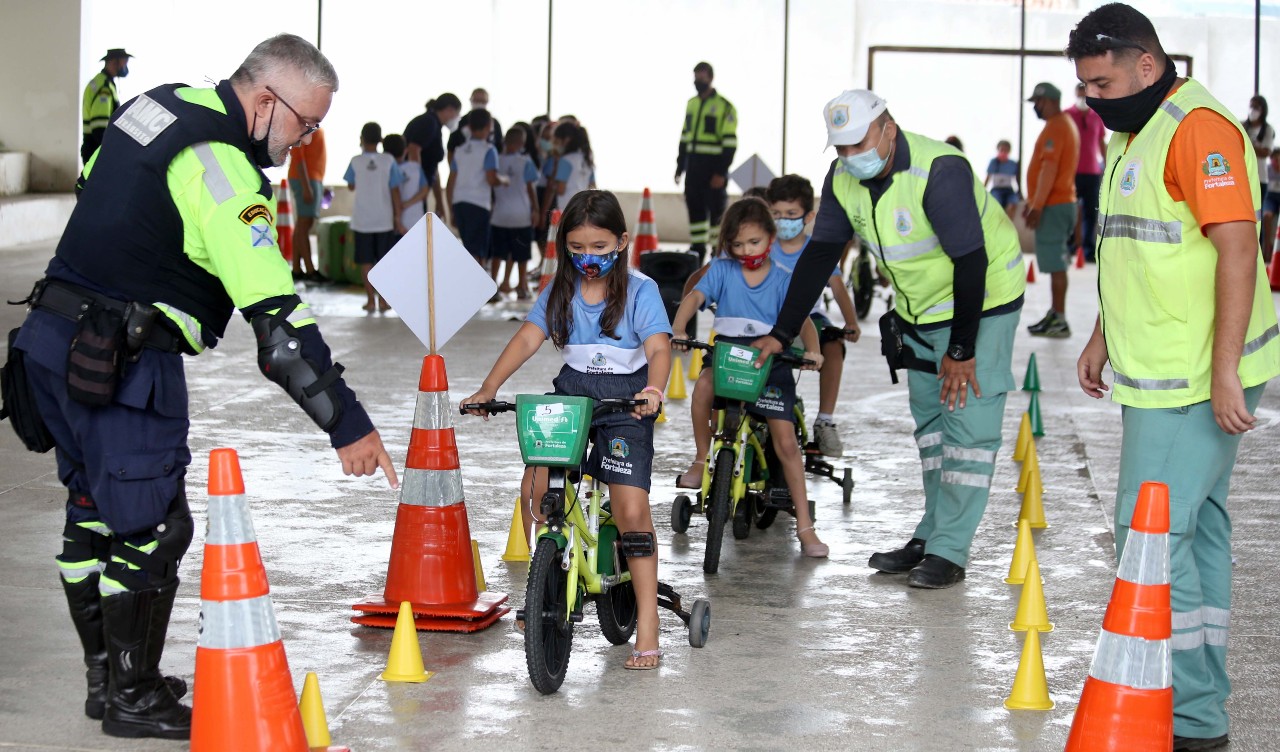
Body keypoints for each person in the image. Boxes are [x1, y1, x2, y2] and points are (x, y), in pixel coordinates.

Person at [11, 34, 397, 740]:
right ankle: (132, 698)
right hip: (121, 361)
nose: (305, 141)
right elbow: (280, 335)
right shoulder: (223, 170)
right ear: (263, 100)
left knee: (93, 510)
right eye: (304, 124)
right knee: (154, 527)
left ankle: (109, 683)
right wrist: (348, 424)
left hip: (47, 343)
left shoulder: (153, 107)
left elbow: (95, 183)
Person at [1067, 6, 1280, 749]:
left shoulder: (1199, 130)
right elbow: (1132, 244)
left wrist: (1224, 374)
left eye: (1101, 81)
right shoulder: (1136, 129)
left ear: (1146, 65)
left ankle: (1189, 715)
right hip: (1158, 372)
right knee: (1198, 529)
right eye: (1085, 85)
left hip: (1194, 380)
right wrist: (1101, 333)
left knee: (1152, 533)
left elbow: (1234, 248)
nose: (1092, 98)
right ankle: (1201, 702)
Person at [751, 90, 1026, 588]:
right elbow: (820, 257)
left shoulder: (939, 172)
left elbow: (971, 262)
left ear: (887, 129)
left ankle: (950, 550)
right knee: (933, 430)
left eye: (859, 144)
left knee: (967, 430)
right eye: (841, 149)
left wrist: (962, 351)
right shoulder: (843, 181)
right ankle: (932, 532)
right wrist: (782, 333)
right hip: (918, 313)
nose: (851, 158)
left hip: (981, 307)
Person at [461, 190, 671, 669]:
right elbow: (528, 337)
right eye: (578, 247)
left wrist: (654, 391)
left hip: (627, 402)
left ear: (622, 241)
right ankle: (548, 578)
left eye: (600, 247)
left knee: (631, 507)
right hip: (573, 396)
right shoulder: (559, 290)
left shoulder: (640, 291)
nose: (589, 258)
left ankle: (647, 623)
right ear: (564, 246)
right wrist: (488, 387)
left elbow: (659, 348)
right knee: (536, 486)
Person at [671, 198, 829, 559]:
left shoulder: (783, 279)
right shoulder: (722, 270)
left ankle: (805, 525)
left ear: (770, 238)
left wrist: (813, 350)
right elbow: (695, 296)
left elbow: (802, 319)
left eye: (754, 242)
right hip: (729, 356)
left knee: (787, 442)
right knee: (703, 389)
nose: (745, 251)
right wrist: (679, 326)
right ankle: (700, 459)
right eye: (737, 244)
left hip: (771, 362)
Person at [765, 174, 861, 457]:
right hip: (768, 317)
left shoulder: (816, 250)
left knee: (833, 345)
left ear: (808, 216)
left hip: (812, 318)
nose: (783, 220)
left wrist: (852, 322)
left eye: (791, 214)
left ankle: (825, 420)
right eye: (777, 214)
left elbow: (838, 288)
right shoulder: (762, 246)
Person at [1023, 82, 1080, 339]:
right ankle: (1056, 314)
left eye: (1038, 102)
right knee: (1057, 263)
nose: (1035, 106)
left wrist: (1036, 206)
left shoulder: (1057, 127)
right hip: (1057, 203)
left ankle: (1060, 319)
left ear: (1049, 101)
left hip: (1053, 205)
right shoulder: (1061, 125)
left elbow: (1049, 170)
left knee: (1057, 265)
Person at [675, 62, 738, 260]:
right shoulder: (691, 104)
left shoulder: (724, 107)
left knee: (716, 212)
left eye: (701, 76)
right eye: (695, 76)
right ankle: (697, 250)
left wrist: (721, 172)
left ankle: (716, 252)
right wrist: (680, 166)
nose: (697, 80)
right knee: (695, 208)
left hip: (713, 168)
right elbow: (685, 137)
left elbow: (730, 143)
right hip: (693, 167)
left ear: (710, 77)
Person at [343, 122, 405, 312]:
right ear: (380, 140)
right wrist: (397, 216)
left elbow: (351, 185)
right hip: (384, 220)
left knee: (366, 262)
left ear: (361, 139)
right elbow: (395, 190)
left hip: (362, 221)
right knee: (384, 263)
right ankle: (384, 301)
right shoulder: (388, 161)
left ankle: (370, 300)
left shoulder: (355, 161)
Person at [447, 109, 502, 279]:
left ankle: (472, 284)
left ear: (469, 127)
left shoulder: (460, 150)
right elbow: (491, 178)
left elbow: (451, 181)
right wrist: (504, 181)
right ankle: (476, 287)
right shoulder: (489, 150)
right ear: (489, 127)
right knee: (478, 249)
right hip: (478, 203)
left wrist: (451, 208)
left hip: (460, 202)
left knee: (469, 246)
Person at [492, 126, 541, 299]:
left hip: (499, 215)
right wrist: (536, 209)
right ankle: (521, 286)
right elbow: (530, 188)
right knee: (521, 253)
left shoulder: (496, 160)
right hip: (521, 216)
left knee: (497, 253)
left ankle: (493, 285)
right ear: (522, 143)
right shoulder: (525, 161)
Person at [404, 93, 462, 225]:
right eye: (456, 114)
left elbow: (433, 168)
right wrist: (417, 184)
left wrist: (440, 203)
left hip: (421, 192)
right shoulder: (428, 122)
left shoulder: (436, 126)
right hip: (412, 192)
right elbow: (414, 149)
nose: (456, 118)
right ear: (449, 110)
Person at [1066, 82, 1108, 261]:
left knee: (1091, 213)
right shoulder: (1066, 115)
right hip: (1070, 173)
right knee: (1069, 211)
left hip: (1092, 173)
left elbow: (1101, 143)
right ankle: (1068, 247)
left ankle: (1089, 250)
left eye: (1085, 94)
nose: (1082, 97)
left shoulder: (1097, 116)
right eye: (1079, 93)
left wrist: (1107, 165)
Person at [287, 125, 326, 279]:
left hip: (312, 178)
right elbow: (298, 156)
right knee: (304, 223)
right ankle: (310, 269)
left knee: (303, 224)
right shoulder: (305, 126)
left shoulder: (314, 125)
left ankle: (297, 268)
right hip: (305, 179)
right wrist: (306, 186)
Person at [81, 48, 132, 165]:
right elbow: (99, 126)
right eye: (124, 63)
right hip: (96, 149)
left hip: (91, 147)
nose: (125, 67)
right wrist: (110, 150)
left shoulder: (100, 81)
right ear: (114, 62)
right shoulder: (104, 87)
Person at [542, 121, 595, 215]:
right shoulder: (587, 158)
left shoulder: (565, 160)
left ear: (566, 140)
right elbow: (593, 186)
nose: (554, 145)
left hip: (567, 208)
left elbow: (560, 190)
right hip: (584, 208)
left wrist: (553, 181)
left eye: (556, 141)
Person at [1243, 95, 1274, 252]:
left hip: (1260, 179)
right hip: (1243, 176)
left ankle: (1259, 251)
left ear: (1263, 110)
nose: (1253, 110)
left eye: (1257, 107)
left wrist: (1248, 143)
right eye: (1251, 106)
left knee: (1257, 216)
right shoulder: (1243, 126)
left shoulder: (1267, 130)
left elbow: (1265, 152)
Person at [382, 133, 430, 236]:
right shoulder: (415, 168)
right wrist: (407, 203)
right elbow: (424, 190)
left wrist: (400, 206)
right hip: (415, 219)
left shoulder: (384, 169)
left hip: (390, 222)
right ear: (405, 150)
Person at [984, 140, 1022, 219]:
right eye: (1002, 150)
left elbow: (1017, 179)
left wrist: (1020, 192)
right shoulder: (993, 162)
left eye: (1006, 150)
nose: (1003, 152)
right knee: (996, 203)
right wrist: (983, 190)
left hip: (1008, 190)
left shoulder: (1012, 164)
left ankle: (1008, 223)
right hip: (996, 189)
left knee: (1013, 203)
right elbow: (988, 177)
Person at [1264, 151, 1280, 263]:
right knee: (1266, 216)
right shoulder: (1267, 169)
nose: (1277, 162)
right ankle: (1267, 248)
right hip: (1270, 197)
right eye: (1275, 160)